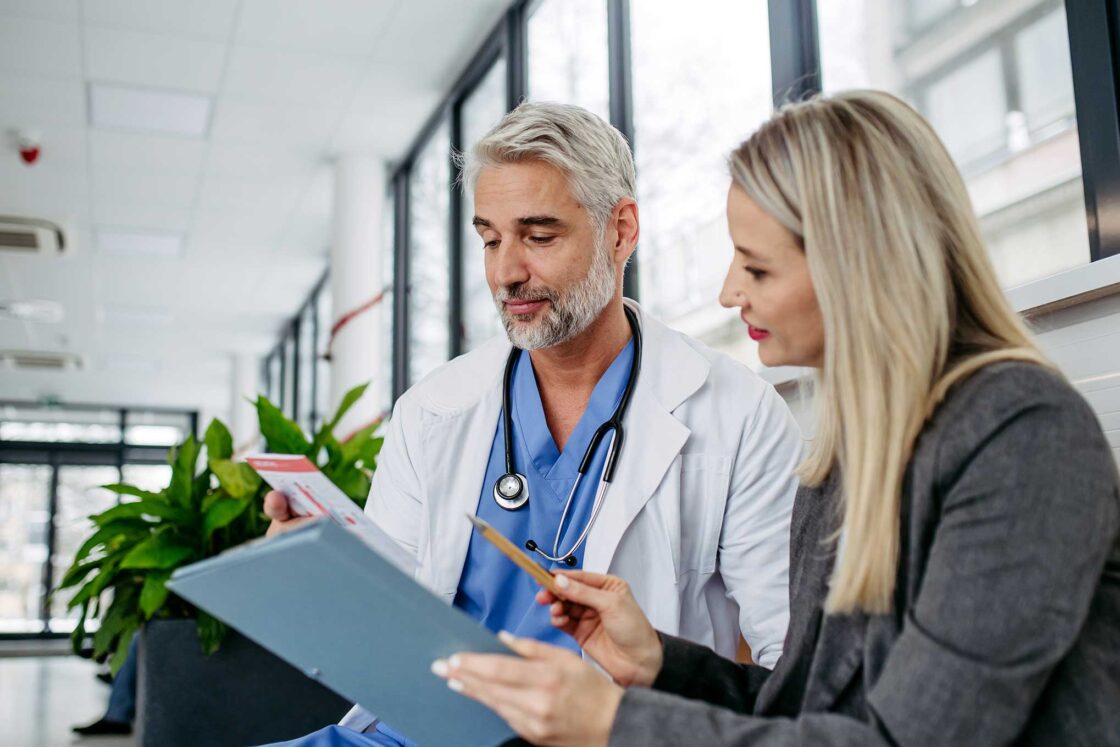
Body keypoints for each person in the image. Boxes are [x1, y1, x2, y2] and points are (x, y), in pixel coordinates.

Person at [435, 90, 1120, 746]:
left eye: (757, 269)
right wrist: (660, 664)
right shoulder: (845, 460)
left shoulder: (1024, 439)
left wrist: (615, 724)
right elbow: (807, 710)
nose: (729, 292)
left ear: (859, 267)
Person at [264, 102, 803, 746]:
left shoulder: (736, 412)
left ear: (621, 231)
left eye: (539, 236)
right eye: (490, 239)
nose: (504, 272)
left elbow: (792, 666)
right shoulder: (434, 409)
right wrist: (322, 571)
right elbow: (388, 631)